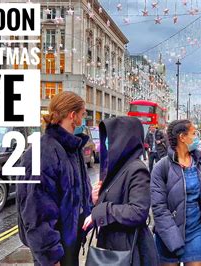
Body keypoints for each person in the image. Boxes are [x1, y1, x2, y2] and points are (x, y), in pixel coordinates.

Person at [17, 91, 92, 265]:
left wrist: (90, 199)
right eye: (83, 115)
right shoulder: (43, 152)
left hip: (69, 246)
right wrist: (51, 257)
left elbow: (72, 194)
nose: (84, 120)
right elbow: (36, 213)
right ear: (72, 116)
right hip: (54, 253)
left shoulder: (71, 148)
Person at [82, 116, 158, 265]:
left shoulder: (137, 170)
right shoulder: (118, 167)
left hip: (129, 248)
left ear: (123, 139)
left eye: (110, 138)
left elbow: (138, 212)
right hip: (112, 246)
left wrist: (102, 210)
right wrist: (97, 199)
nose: (106, 143)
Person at [151, 119, 201, 265]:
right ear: (182, 137)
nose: (197, 137)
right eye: (193, 133)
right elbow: (158, 208)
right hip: (168, 232)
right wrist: (173, 240)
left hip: (195, 230)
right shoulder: (161, 167)